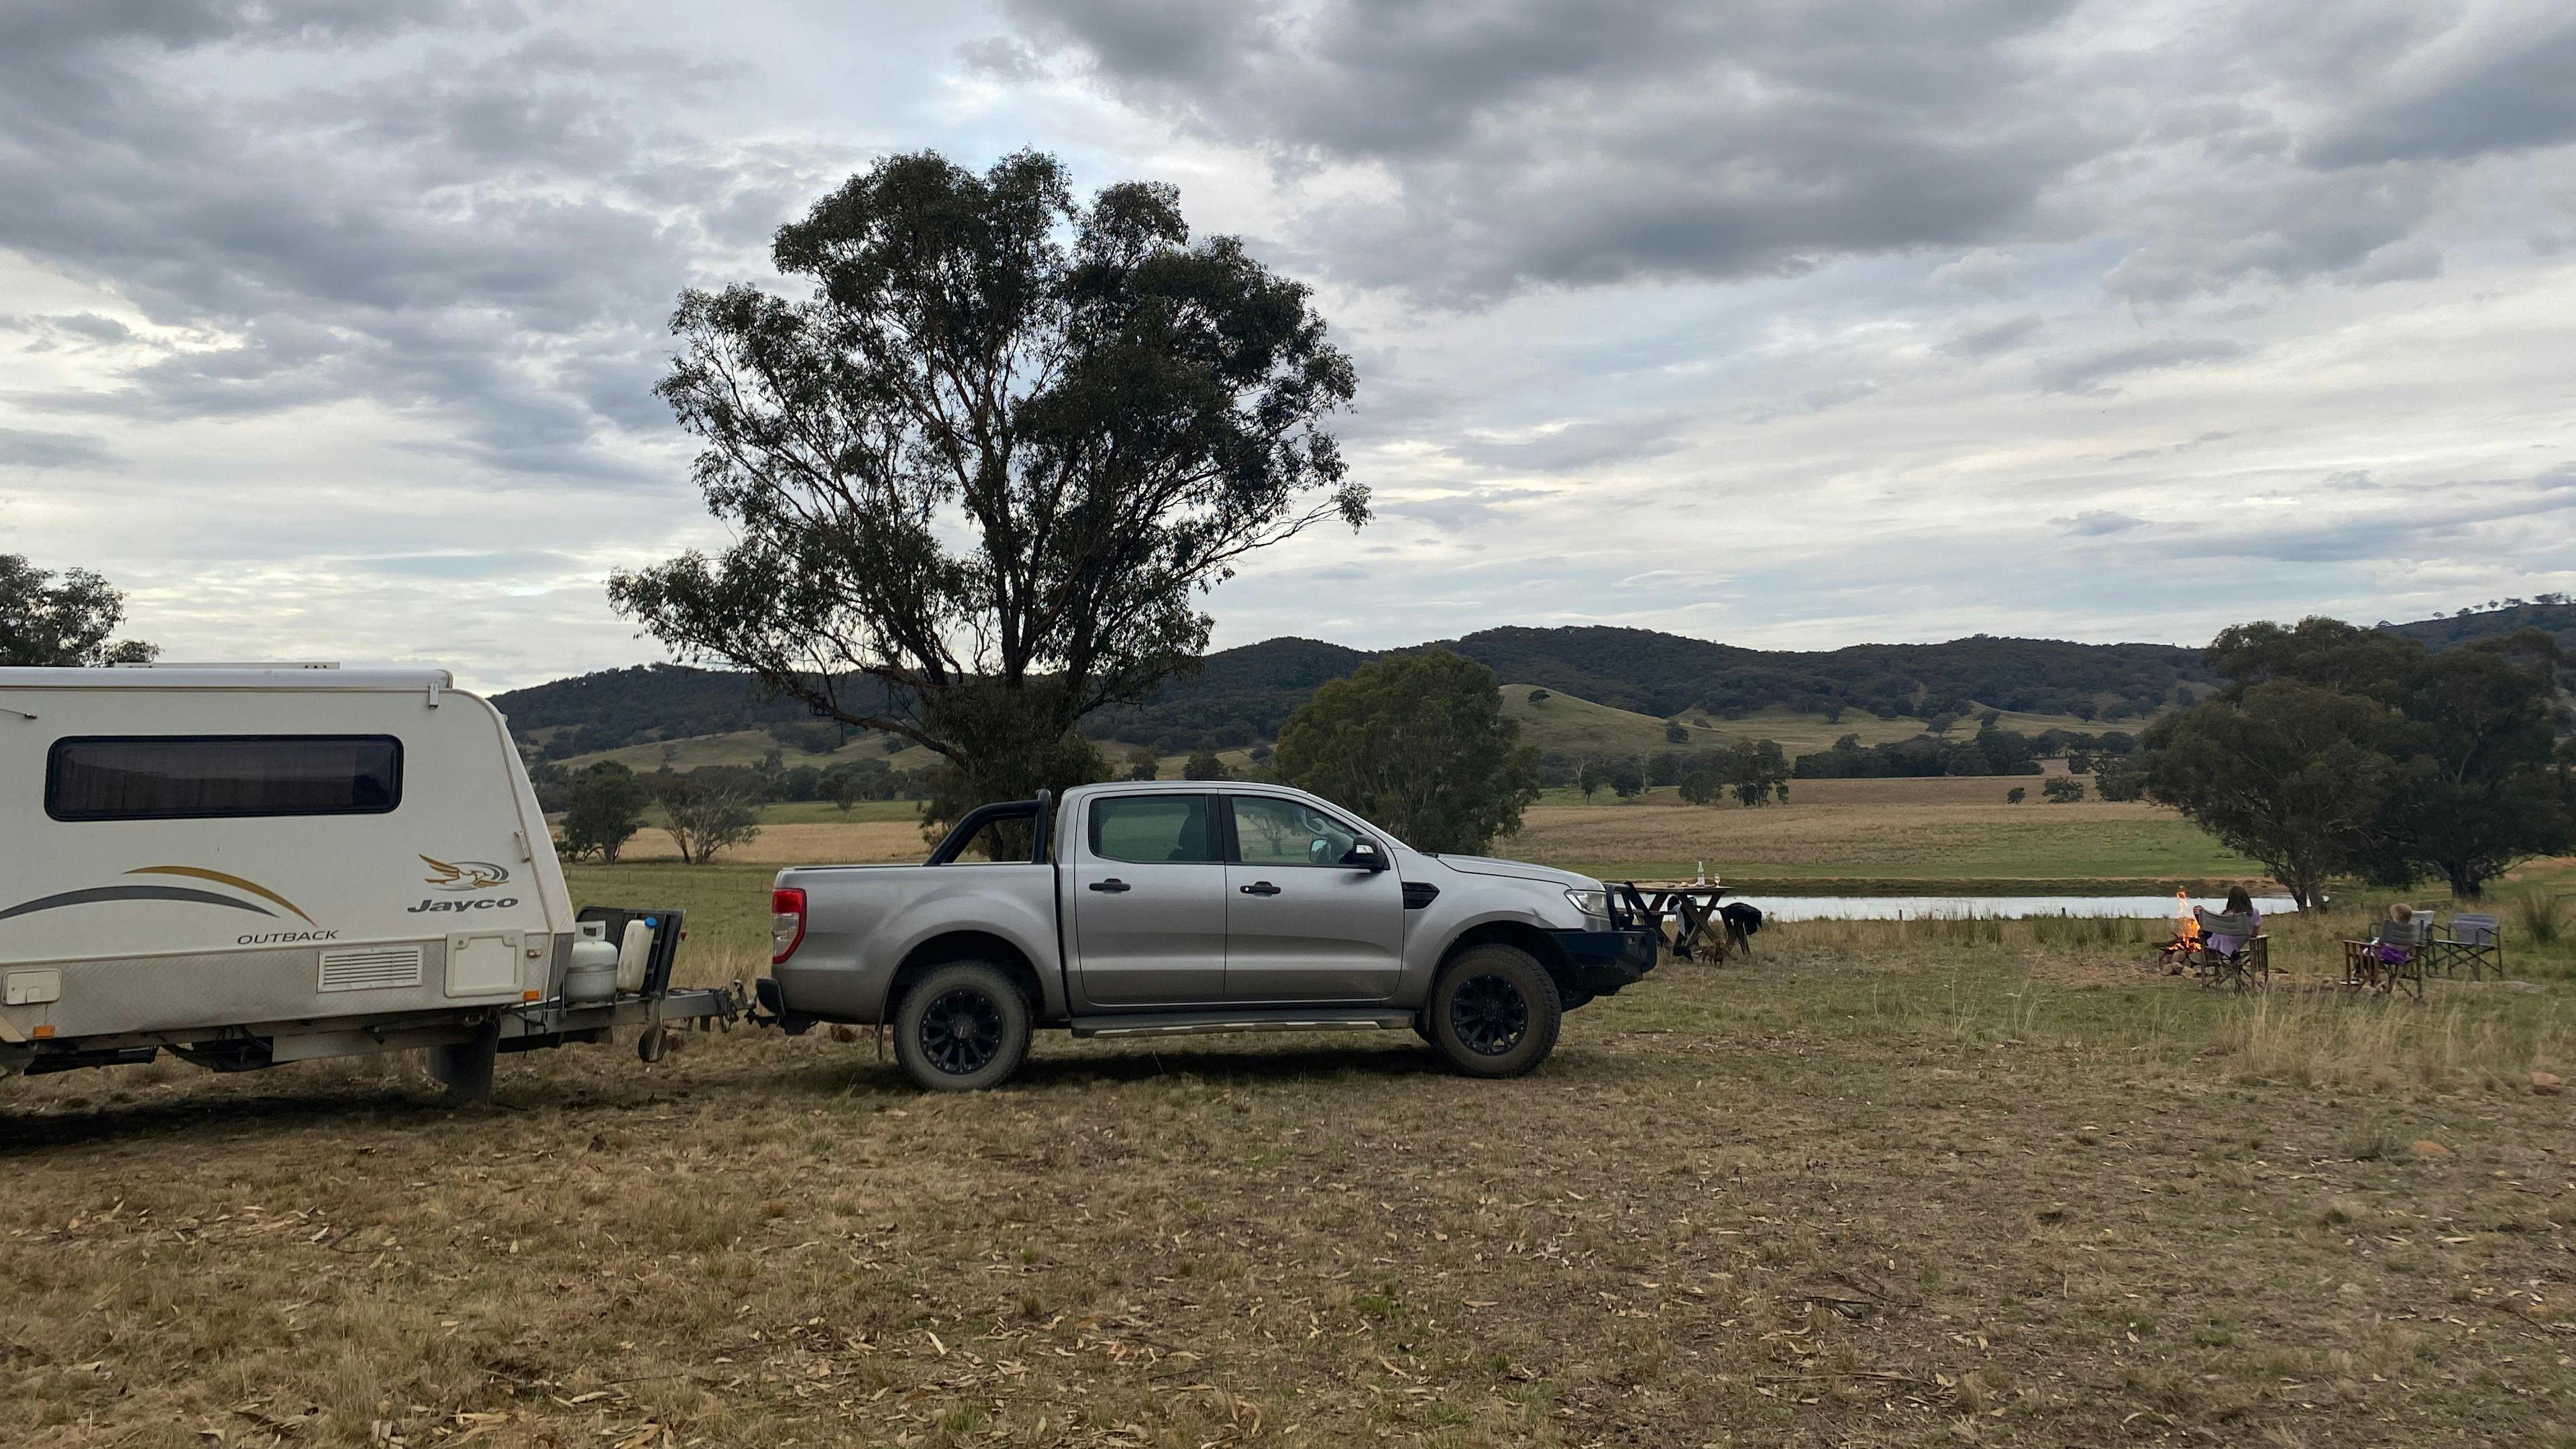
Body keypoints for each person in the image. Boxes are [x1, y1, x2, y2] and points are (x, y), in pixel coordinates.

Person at [2204, 887, 2259, 956]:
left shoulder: (2228, 914)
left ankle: (2209, 957)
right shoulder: (2255, 912)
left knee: (2204, 931)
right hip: (2240, 942)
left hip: (2221, 945)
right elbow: (2255, 934)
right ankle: (2234, 961)